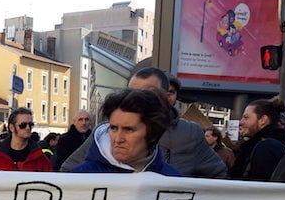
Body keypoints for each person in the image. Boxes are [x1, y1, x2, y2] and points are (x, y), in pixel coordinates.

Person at [60, 68, 227, 178]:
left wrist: (189, 199)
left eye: (129, 130)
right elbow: (67, 176)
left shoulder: (190, 134)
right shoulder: (100, 137)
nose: (118, 138)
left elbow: (218, 177)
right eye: (114, 128)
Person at [230, 97, 285, 181]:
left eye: (246, 118)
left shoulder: (266, 148)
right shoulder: (273, 143)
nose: (241, 122)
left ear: (263, 120)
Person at [0, 108, 53, 172]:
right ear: (12, 127)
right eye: (23, 125)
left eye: (30, 125)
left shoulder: (40, 158)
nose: (28, 128)